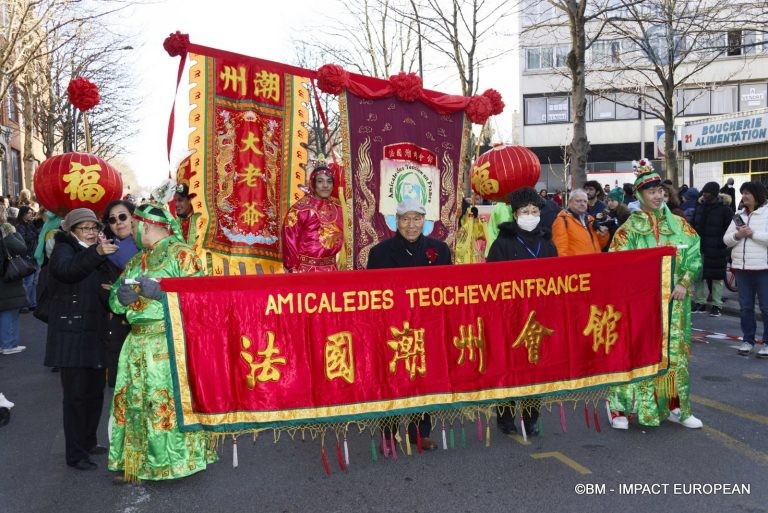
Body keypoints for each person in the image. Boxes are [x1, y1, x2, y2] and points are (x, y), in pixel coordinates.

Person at [108, 200, 218, 482]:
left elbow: (203, 299)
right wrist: (120, 300)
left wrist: (163, 294)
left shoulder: (182, 256)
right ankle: (135, 464)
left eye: (133, 225)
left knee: (164, 406)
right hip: (135, 345)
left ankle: (178, 462)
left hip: (168, 341)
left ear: (146, 225)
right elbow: (115, 299)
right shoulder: (136, 261)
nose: (130, 231)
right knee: (134, 406)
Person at [608, 161, 703, 430]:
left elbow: (694, 255)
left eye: (660, 191)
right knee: (636, 352)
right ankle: (619, 407)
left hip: (675, 304)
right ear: (640, 196)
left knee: (676, 355)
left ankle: (677, 406)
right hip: (642, 305)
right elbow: (617, 267)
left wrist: (685, 281)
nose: (658, 196)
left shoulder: (681, 226)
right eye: (651, 192)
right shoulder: (628, 231)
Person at [367, 198, 451, 450]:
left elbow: (449, 290)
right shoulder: (379, 253)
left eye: (417, 219)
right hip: (392, 329)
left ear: (424, 221)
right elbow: (371, 294)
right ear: (396, 221)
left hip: (427, 327)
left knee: (423, 378)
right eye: (405, 219)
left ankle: (420, 432)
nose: (411, 225)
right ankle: (388, 435)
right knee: (391, 380)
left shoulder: (439, 250)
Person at [43, 208, 119, 470]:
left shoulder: (96, 248)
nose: (90, 232)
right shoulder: (63, 248)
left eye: (93, 227)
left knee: (95, 392)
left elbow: (106, 281)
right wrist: (96, 252)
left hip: (95, 330)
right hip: (71, 333)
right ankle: (75, 454)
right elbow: (67, 271)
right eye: (84, 228)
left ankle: (88, 441)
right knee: (75, 396)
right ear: (72, 230)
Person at [486, 187, 556, 436]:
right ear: (515, 215)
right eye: (525, 211)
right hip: (510, 317)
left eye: (534, 211)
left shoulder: (547, 241)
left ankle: (531, 417)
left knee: (535, 366)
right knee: (509, 367)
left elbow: (558, 279)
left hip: (539, 317)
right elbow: (491, 281)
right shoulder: (503, 242)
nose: (530, 215)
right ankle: (505, 417)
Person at [723, 181, 768, 358]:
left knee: (766, 308)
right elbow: (726, 240)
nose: (744, 196)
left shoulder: (766, 213)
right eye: (743, 193)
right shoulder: (738, 215)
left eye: (747, 193)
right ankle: (748, 340)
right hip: (741, 269)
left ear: (758, 195)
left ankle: (766, 342)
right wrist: (737, 235)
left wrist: (752, 234)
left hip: (763, 269)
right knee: (746, 307)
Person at [101, 200, 139, 387]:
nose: (119, 222)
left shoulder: (150, 245)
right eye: (112, 219)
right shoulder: (106, 250)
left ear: (134, 217)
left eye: (123, 216)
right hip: (118, 319)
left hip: (148, 320)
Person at [282, 165, 344, 272]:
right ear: (313, 184)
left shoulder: (339, 207)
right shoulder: (300, 209)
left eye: (329, 182)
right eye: (320, 181)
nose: (325, 185)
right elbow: (289, 241)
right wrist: (293, 268)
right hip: (306, 270)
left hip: (332, 269)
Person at [691, 182, 733, 317]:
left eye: (707, 192)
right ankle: (700, 303)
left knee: (716, 279)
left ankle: (717, 305)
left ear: (714, 194)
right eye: (703, 191)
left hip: (717, 249)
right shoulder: (699, 208)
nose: (704, 194)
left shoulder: (725, 210)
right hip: (699, 248)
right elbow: (692, 227)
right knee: (698, 277)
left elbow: (730, 229)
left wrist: (723, 245)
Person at [0, 207, 29, 355]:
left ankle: (4, 342)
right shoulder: (4, 232)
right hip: (6, 277)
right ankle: (8, 344)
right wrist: (12, 233)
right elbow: (22, 248)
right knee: (9, 311)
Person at [551, 189, 610, 256]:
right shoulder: (562, 221)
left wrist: (603, 235)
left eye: (585, 201)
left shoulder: (590, 219)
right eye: (578, 201)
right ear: (569, 202)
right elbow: (560, 251)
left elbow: (598, 246)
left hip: (595, 263)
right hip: (577, 265)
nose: (582, 204)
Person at [15, 206, 40, 313]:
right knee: (28, 282)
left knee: (35, 281)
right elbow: (23, 240)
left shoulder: (31, 224)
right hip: (27, 257)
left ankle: (32, 303)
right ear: (23, 214)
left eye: (32, 213)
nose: (31, 215)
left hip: (34, 256)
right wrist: (34, 235)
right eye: (29, 213)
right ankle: (24, 304)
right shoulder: (20, 226)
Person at [173, 183, 201, 247]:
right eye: (175, 200)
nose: (176, 204)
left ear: (189, 200)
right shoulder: (175, 222)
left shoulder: (200, 219)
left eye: (180, 200)